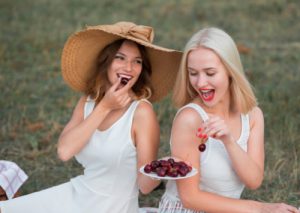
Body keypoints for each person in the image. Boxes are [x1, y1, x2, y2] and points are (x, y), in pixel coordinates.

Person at [0, 21, 182, 213]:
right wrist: (104, 106)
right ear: (106, 62)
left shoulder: (141, 112)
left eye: (137, 61)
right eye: (120, 58)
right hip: (77, 195)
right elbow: (64, 151)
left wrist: (164, 167)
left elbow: (145, 186)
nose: (129, 67)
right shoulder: (88, 102)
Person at [157, 27, 299, 213]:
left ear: (230, 71)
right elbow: (190, 198)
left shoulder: (253, 115)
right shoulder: (190, 119)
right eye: (193, 73)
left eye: (210, 73)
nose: (200, 83)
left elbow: (254, 180)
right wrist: (260, 208)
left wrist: (229, 141)